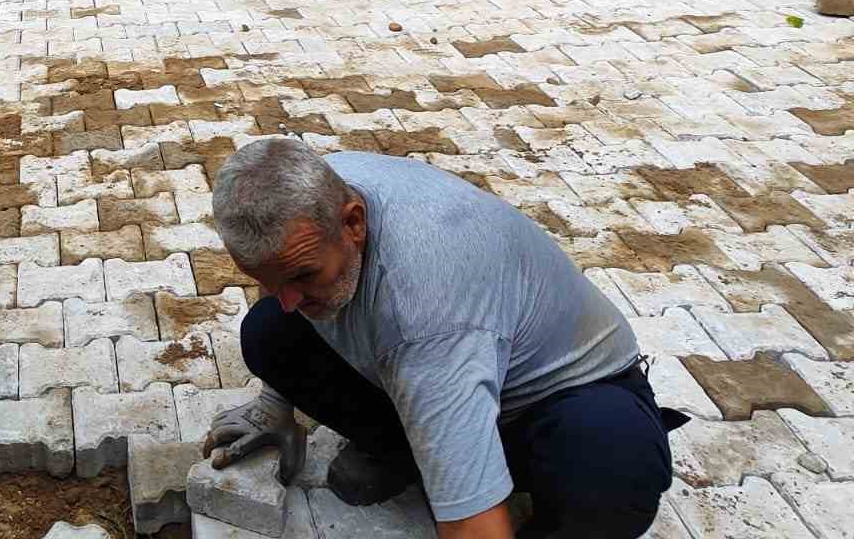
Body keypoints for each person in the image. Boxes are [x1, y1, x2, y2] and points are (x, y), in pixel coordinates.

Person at [202, 138, 686, 539]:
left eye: (304, 275)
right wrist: (273, 407)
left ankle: (480, 471)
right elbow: (286, 283)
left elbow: (473, 531)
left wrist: (470, 503)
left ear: (353, 223)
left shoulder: (425, 309)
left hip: (556, 402)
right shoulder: (313, 200)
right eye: (267, 278)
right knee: (272, 330)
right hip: (444, 360)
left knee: (612, 462)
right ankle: (414, 452)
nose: (286, 297)